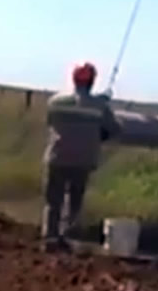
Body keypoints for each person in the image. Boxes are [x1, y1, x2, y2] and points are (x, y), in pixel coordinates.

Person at [42, 62, 122, 251]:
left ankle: (50, 239)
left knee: (54, 201)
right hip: (83, 160)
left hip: (57, 156)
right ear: (92, 81)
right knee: (74, 201)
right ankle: (68, 237)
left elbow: (51, 122)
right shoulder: (100, 106)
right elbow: (114, 129)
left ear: (73, 79)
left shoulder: (55, 102)